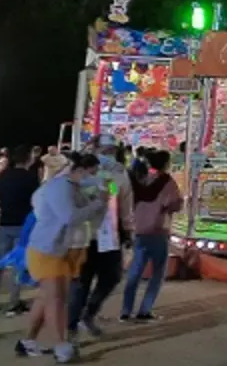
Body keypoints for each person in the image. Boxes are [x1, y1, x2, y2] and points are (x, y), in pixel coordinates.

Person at [19, 153, 106, 363]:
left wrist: (104, 194)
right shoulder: (59, 187)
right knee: (56, 300)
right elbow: (69, 217)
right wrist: (97, 203)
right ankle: (61, 346)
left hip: (57, 250)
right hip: (45, 250)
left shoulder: (74, 187)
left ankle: (27, 341)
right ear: (78, 170)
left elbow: (94, 211)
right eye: (91, 172)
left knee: (48, 298)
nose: (93, 176)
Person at [67, 134, 134, 338]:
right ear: (95, 150)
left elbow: (123, 201)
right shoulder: (78, 171)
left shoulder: (118, 174)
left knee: (112, 277)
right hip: (82, 238)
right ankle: (71, 326)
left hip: (109, 237)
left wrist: (128, 229)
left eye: (112, 151)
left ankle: (88, 314)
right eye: (105, 151)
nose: (109, 155)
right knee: (81, 282)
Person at [121, 150, 182, 321]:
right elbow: (175, 204)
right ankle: (144, 310)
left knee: (135, 272)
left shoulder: (141, 180)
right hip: (158, 231)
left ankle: (126, 310)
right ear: (166, 164)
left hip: (139, 230)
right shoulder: (167, 182)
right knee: (157, 274)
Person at [0, 145, 39, 316]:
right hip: (23, 225)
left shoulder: (4, 175)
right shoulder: (30, 178)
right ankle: (13, 303)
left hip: (4, 222)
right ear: (28, 158)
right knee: (18, 264)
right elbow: (36, 202)